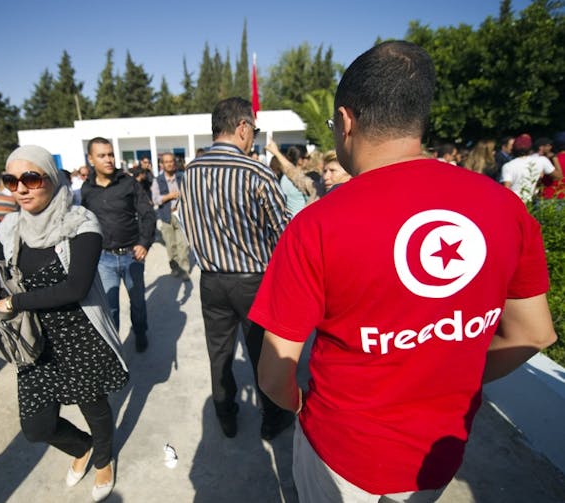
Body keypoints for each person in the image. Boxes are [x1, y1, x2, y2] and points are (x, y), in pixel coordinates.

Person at [249, 40, 557, 502]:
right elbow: (533, 334)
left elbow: (274, 374)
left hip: (340, 451)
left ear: (347, 121)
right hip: (436, 457)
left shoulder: (318, 224)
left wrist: (304, 406)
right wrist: (453, 373)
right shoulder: (505, 208)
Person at [0, 145, 128, 502]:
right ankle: (82, 448)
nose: (21, 188)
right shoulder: (12, 226)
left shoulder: (80, 224)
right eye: (11, 180)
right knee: (37, 427)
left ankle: (104, 459)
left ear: (53, 178)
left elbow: (75, 287)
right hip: (32, 340)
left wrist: (15, 301)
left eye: (31, 178)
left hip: (78, 334)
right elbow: (3, 267)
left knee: (93, 407)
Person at [178, 97, 293, 440]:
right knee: (262, 354)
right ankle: (273, 418)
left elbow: (188, 222)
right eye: (254, 130)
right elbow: (285, 233)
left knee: (220, 354)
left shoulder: (190, 172)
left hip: (211, 280)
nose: (253, 137)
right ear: (243, 127)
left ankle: (225, 415)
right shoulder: (256, 172)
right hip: (253, 281)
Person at [81, 138, 156, 353]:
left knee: (138, 302)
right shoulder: (87, 190)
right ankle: (114, 347)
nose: (108, 159)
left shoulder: (128, 182)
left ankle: (140, 332)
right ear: (91, 159)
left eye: (111, 154)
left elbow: (147, 213)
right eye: (102, 155)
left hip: (132, 255)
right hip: (103, 259)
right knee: (109, 307)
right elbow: (84, 223)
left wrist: (144, 243)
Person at [151, 153, 191, 281]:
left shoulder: (182, 177)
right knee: (171, 245)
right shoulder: (157, 180)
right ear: (162, 164)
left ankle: (184, 269)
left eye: (171, 161)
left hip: (181, 215)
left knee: (183, 244)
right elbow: (155, 199)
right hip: (166, 216)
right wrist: (169, 196)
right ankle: (174, 267)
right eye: (166, 162)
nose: (169, 164)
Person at [501, 133, 561, 202]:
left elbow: (506, 190)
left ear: (514, 148)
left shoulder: (507, 166)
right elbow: (559, 176)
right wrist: (554, 158)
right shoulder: (541, 160)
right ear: (530, 148)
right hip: (532, 201)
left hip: (515, 203)